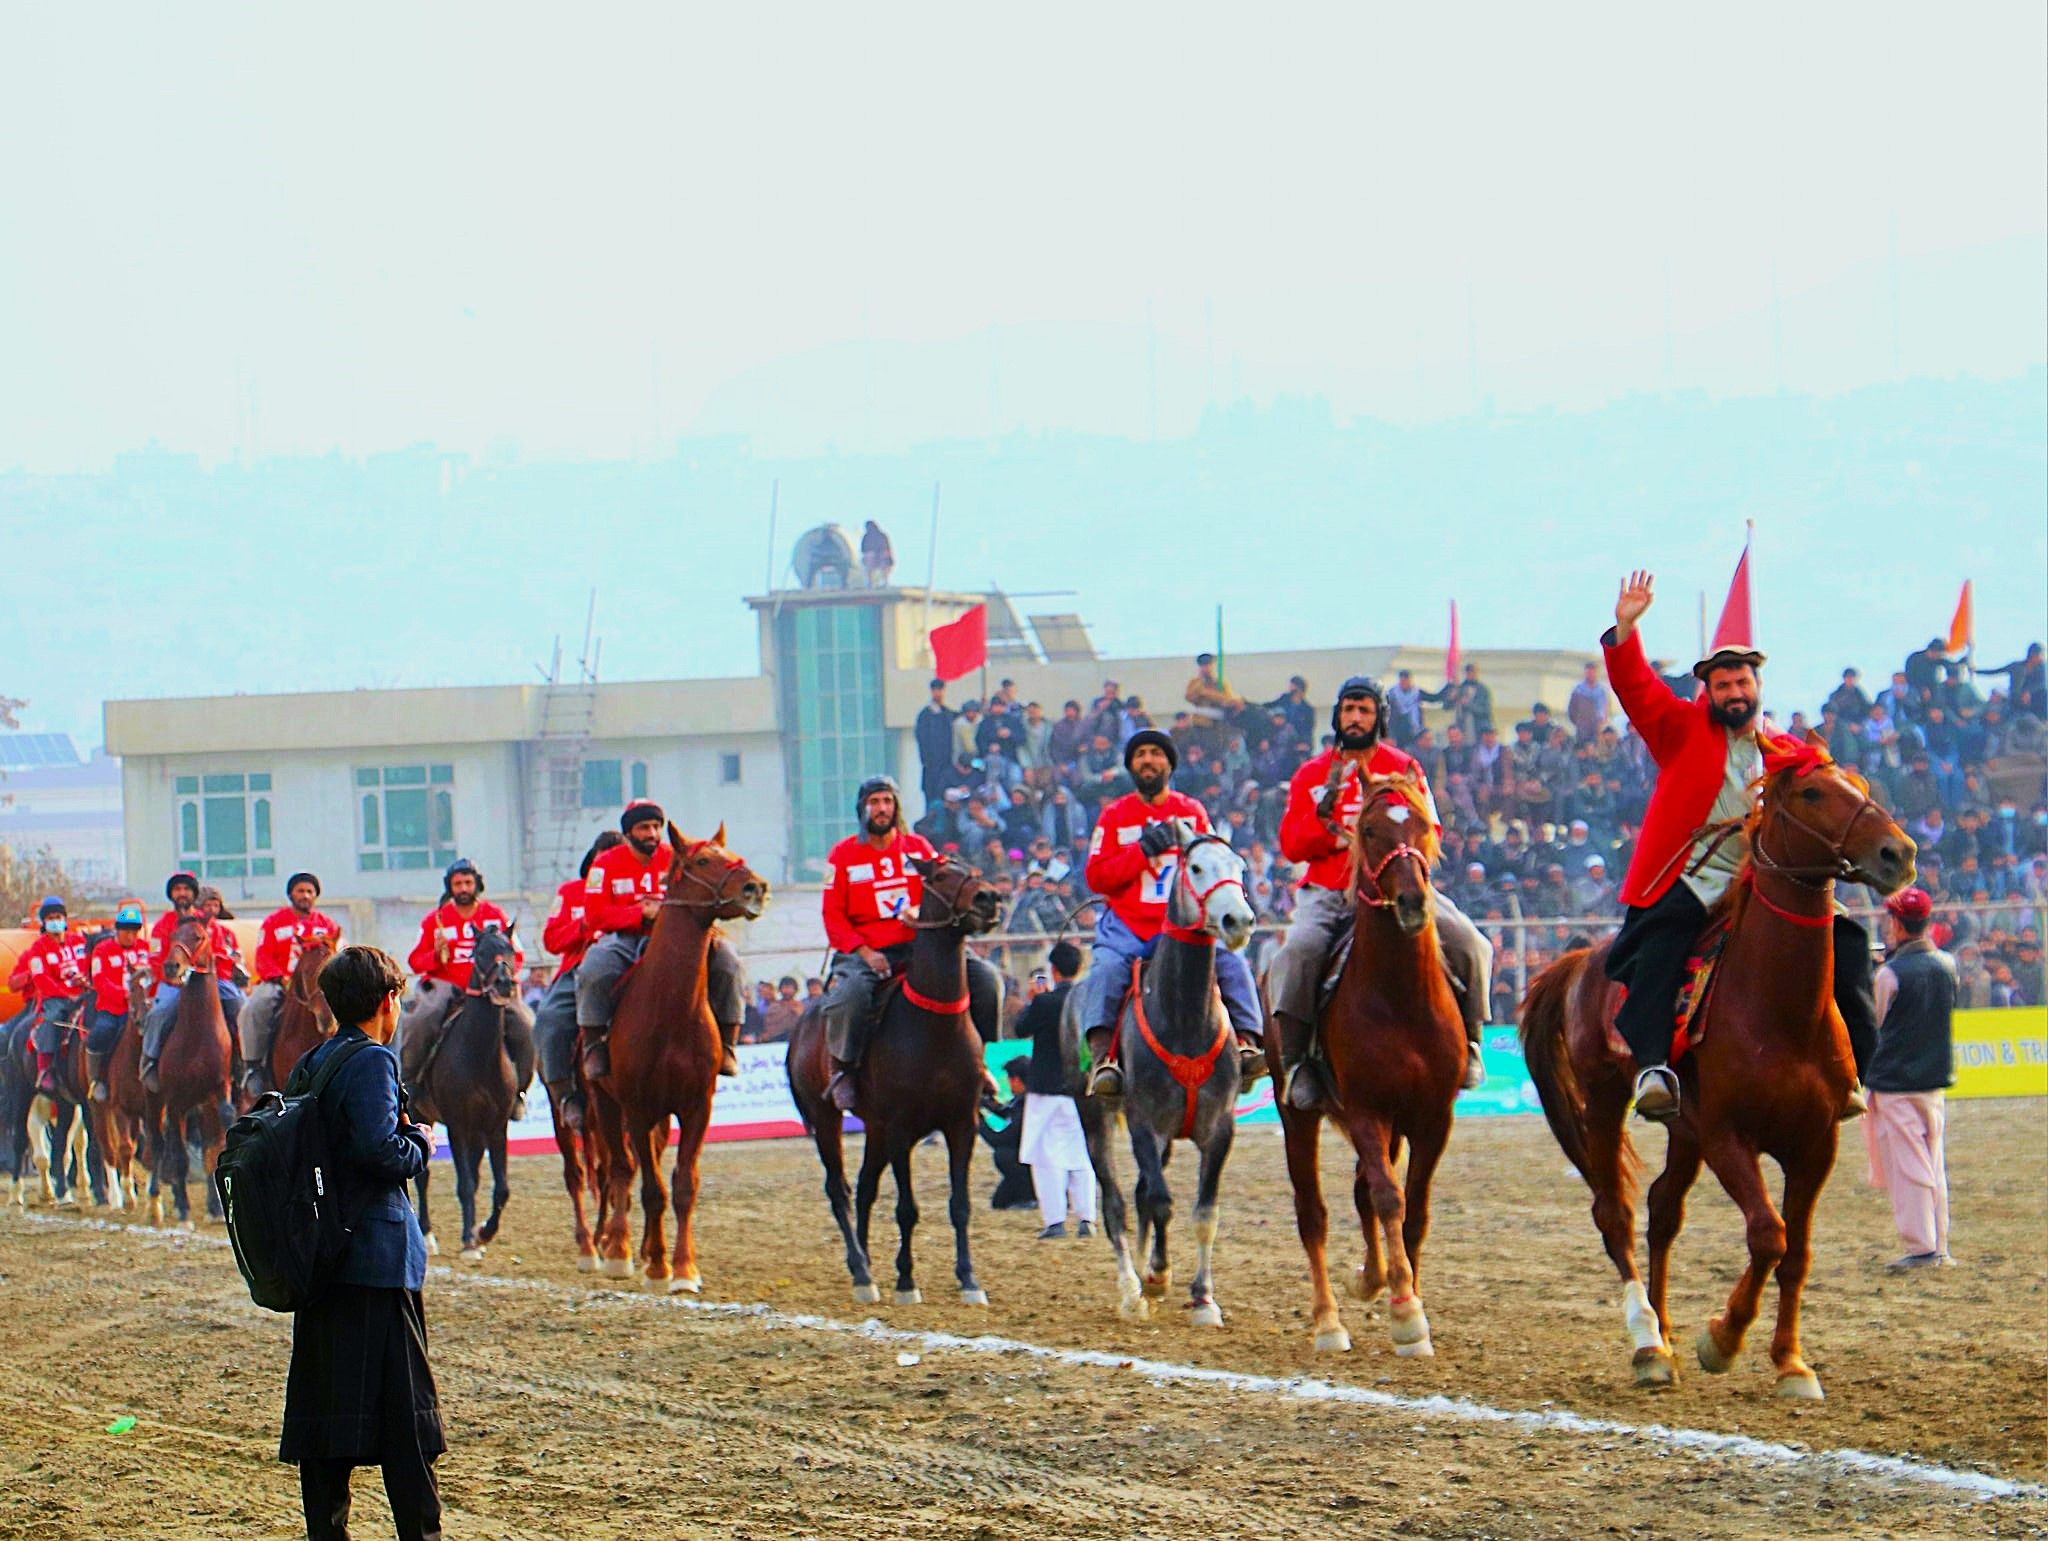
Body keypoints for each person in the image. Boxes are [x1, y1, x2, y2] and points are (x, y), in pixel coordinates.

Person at [1599, 570, 1877, 1123]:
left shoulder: (1789, 750)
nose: (1732, 693)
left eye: (1741, 684)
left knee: (1847, 939)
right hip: (1696, 874)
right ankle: (1654, 1066)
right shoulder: (1679, 727)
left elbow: (1830, 797)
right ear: (1710, 692)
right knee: (1661, 944)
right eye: (1722, 686)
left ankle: (1857, 1070)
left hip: (1769, 875)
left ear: (1757, 689)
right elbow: (1636, 690)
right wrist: (1626, 631)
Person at [1266, 678, 1492, 1110]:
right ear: (1337, 716)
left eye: (1364, 710)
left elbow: (1432, 829)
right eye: (1348, 709)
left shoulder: (1404, 767)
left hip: (1398, 886)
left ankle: (1473, 1043)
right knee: (1297, 953)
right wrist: (1340, 836)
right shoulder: (1311, 775)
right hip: (1330, 891)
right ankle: (1297, 1063)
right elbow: (1292, 844)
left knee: (1471, 943)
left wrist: (1400, 857)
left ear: (1378, 717)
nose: (1355, 718)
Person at [281, 945, 444, 1541]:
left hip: (320, 1261)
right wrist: (420, 1143)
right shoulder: (374, 1060)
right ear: (387, 1001)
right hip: (375, 1264)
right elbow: (380, 1152)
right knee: (407, 1424)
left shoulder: (311, 1061)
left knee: (326, 1424)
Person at [1075, 729, 1263, 1099]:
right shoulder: (1115, 816)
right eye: (1141, 754)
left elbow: (1214, 863)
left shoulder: (1191, 811)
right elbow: (1097, 877)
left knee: (1232, 962)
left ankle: (1247, 1043)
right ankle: (1104, 1060)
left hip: (1184, 926)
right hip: (1128, 926)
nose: (1148, 760)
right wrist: (1142, 850)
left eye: (1156, 754)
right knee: (1107, 971)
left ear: (1169, 764)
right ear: (1130, 766)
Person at [819, 776, 1002, 1111]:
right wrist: (864, 952)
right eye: (874, 802)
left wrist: (922, 910)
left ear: (896, 807)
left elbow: (944, 889)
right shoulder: (843, 855)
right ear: (862, 809)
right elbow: (832, 915)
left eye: (887, 801)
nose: (881, 808)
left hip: (923, 947)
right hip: (867, 952)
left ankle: (980, 1062)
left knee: (987, 980)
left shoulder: (917, 847)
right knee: (850, 996)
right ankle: (842, 1069)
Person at [575, 802, 750, 1083]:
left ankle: (728, 1044)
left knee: (730, 962)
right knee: (594, 969)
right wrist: (639, 912)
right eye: (644, 828)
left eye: (656, 827)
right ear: (629, 832)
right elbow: (595, 915)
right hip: (626, 941)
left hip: (678, 944)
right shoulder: (604, 864)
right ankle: (594, 1045)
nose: (652, 834)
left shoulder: (676, 857)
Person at [1864, 888, 1958, 1270]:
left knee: (1909, 1166)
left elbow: (1878, 1022)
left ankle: (1921, 1247)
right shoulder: (1947, 964)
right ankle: (1939, 1243)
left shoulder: (1889, 974)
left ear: (1898, 924)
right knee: (1933, 1161)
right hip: (1933, 1078)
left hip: (1896, 1082)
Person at [401, 858, 533, 1114]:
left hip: (490, 991)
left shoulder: (495, 915)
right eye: (457, 883)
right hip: (447, 988)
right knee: (422, 1019)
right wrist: (434, 956)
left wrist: (505, 976)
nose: (463, 888)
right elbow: (414, 961)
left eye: (468, 883)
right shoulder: (435, 920)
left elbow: (516, 955)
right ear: (450, 887)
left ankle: (519, 1091)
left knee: (525, 1025)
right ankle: (411, 1082)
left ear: (477, 885)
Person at [534, 831, 623, 1133]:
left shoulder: (632, 888)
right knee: (548, 1019)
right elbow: (551, 939)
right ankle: (565, 1094)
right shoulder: (571, 892)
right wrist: (586, 924)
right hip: (578, 969)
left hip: (630, 965)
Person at [1014, 940, 1095, 1238]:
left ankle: (1055, 1220)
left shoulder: (1045, 1002)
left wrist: (1034, 998)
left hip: (1047, 1086)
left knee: (1046, 1156)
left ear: (1054, 970)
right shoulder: (1088, 998)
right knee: (1081, 1153)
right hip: (1082, 1087)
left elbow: (1021, 1027)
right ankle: (1087, 1217)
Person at [240, 872, 344, 1096]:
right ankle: (253, 1067)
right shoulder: (273, 923)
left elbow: (339, 956)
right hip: (281, 983)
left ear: (315, 896)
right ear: (291, 894)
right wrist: (280, 977)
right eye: (300, 891)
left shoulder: (327, 926)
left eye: (310, 892)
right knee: (254, 1008)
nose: (305, 895)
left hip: (320, 989)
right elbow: (263, 956)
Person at [140, 873, 245, 1093]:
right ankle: (150, 1060)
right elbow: (156, 959)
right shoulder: (162, 926)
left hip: (209, 983)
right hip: (174, 984)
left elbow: (221, 954)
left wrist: (207, 972)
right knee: (159, 1012)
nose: (182, 894)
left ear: (194, 894)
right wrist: (173, 977)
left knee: (238, 1004)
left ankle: (242, 1059)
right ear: (171, 895)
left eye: (186, 890)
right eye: (177, 890)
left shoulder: (208, 924)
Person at [7, 896, 90, 1093]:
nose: (55, 921)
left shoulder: (79, 942)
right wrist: (64, 994)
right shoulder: (37, 949)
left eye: (59, 916)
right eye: (51, 918)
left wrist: (85, 981)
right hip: (55, 998)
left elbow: (88, 964)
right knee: (51, 1019)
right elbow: (41, 979)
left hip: (83, 995)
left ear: (65, 919)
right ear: (44, 922)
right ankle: (45, 1068)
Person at [84, 901, 151, 1103]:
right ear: (117, 930)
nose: (130, 936)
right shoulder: (102, 950)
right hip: (113, 1008)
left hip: (143, 1009)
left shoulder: (145, 949)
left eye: (134, 931)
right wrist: (124, 995)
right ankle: (97, 1079)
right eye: (125, 931)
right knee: (101, 1034)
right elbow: (100, 981)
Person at [977, 1063, 1037, 1211]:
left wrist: (977, 1120)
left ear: (1016, 1080)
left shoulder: (1028, 1106)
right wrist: (983, 1102)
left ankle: (1030, 1196)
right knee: (999, 1203)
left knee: (1003, 1155)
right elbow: (1006, 1111)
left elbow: (998, 1140)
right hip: (1028, 1164)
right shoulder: (1026, 1100)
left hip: (1031, 1165)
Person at [859, 519, 894, 587]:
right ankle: (870, 582)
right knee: (869, 563)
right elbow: (863, 550)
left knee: (884, 565)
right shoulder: (866, 537)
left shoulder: (881, 536)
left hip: (881, 556)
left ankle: (885, 581)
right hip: (871, 557)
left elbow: (887, 548)